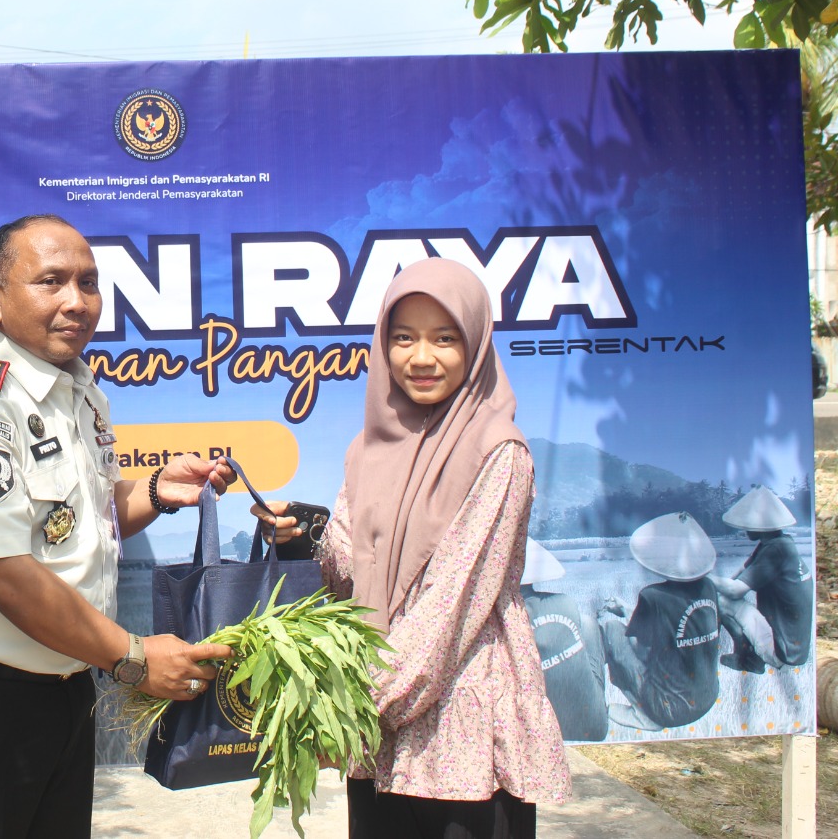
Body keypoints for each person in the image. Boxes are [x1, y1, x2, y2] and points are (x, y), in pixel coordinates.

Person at [0, 214, 236, 839]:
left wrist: (156, 491)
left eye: (88, 283)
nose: (77, 301)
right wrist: (131, 658)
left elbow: (75, 523)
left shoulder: (79, 390)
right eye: (51, 281)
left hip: (63, 685)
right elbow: (3, 572)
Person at [255, 257, 569, 839]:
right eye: (403, 338)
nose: (421, 358)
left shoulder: (499, 453)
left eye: (444, 338)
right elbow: (353, 579)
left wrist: (352, 711)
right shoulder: (369, 448)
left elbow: (451, 606)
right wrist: (303, 533)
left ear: (475, 343)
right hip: (380, 738)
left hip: (461, 728)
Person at [597, 511, 720, 731]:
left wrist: (624, 622)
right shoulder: (709, 587)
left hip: (668, 709)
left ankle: (644, 713)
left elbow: (641, 650)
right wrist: (627, 610)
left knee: (612, 629)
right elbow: (673, 627)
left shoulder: (652, 596)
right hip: (707, 700)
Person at [711, 485, 814, 672]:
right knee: (724, 597)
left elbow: (735, 590)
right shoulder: (779, 542)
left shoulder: (775, 550)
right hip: (794, 648)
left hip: (782, 651)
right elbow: (741, 572)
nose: (745, 528)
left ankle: (748, 659)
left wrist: (703, 578)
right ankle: (751, 655)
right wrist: (719, 585)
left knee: (722, 602)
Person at [520, 538, 609, 742]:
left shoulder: (510, 617)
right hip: (597, 727)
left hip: (543, 734)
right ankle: (599, 704)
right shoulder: (565, 601)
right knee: (588, 624)